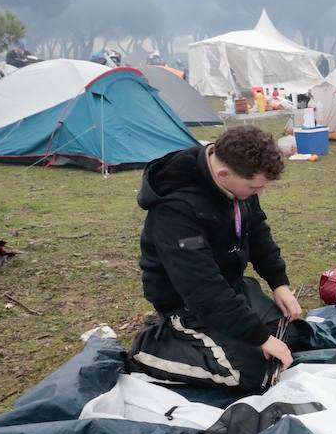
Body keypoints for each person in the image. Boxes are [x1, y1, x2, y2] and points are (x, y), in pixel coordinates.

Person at [131, 126, 308, 391]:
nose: (259, 194)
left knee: (291, 337)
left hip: (230, 289)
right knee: (251, 374)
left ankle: (239, 334)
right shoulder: (175, 208)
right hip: (187, 305)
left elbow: (257, 231)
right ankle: (152, 350)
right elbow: (202, 288)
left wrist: (278, 283)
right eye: (254, 187)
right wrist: (259, 337)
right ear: (223, 175)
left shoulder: (237, 185)